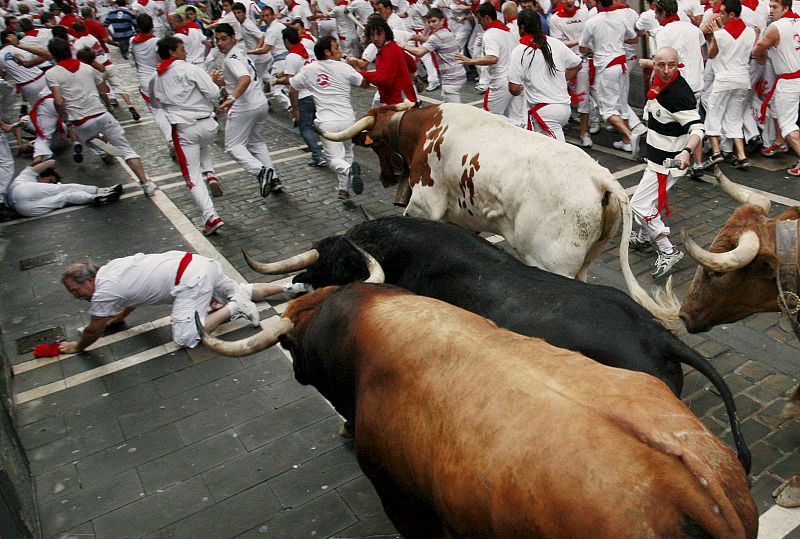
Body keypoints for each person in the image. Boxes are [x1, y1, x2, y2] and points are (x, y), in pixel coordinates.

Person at [58, 253, 312, 353]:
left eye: (75, 290)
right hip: (199, 263)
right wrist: (121, 316)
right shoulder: (111, 269)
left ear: (88, 280)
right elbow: (132, 295)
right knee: (239, 289)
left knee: (185, 337)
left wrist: (78, 347)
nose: (76, 296)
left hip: (191, 280)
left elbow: (93, 329)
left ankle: (235, 307)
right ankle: (293, 288)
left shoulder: (104, 292)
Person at [45, 38, 157, 196]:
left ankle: (100, 148)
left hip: (81, 120)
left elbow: (58, 101)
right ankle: (146, 184)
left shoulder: (52, 73)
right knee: (128, 151)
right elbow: (104, 88)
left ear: (53, 54)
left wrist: (66, 121)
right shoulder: (87, 68)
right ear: (69, 50)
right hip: (102, 114)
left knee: (85, 138)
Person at [629, 46, 703, 279]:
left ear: (678, 64)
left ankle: (667, 250)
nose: (667, 70)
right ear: (655, 64)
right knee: (649, 202)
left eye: (672, 65)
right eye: (661, 65)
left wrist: (687, 152)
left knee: (639, 205)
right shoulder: (659, 80)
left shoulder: (679, 95)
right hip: (656, 157)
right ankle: (643, 239)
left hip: (667, 162)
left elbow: (697, 128)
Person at [149, 36, 225, 235]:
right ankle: (210, 173)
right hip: (208, 125)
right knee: (202, 144)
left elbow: (155, 103)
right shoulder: (191, 69)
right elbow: (214, 93)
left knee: (192, 176)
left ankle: (210, 216)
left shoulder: (156, 77)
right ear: (172, 52)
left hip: (185, 129)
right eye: (182, 49)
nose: (186, 52)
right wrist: (213, 82)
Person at [212, 23, 283, 198]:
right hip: (260, 103)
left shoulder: (231, 59)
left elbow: (244, 79)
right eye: (217, 39)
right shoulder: (241, 52)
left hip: (244, 107)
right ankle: (273, 179)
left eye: (223, 39)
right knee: (256, 142)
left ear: (233, 38)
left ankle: (261, 171)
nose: (220, 43)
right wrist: (222, 83)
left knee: (233, 146)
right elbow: (241, 77)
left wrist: (231, 98)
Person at [290, 35, 365, 199]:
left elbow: (292, 88)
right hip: (348, 120)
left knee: (334, 160)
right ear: (327, 52)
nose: (340, 50)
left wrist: (295, 110)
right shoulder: (344, 67)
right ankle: (343, 189)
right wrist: (355, 65)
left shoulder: (309, 69)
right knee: (347, 152)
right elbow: (363, 83)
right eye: (336, 47)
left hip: (327, 123)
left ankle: (349, 171)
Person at [640, 0, 706, 176]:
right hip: (696, 83)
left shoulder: (664, 32)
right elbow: (701, 52)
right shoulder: (693, 28)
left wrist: (647, 65)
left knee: (662, 122)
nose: (655, 17)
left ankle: (662, 157)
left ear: (663, 13)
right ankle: (698, 164)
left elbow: (662, 63)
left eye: (657, 13)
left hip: (676, 86)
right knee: (694, 122)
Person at [579, 0, 646, 155]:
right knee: (622, 105)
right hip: (622, 64)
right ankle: (626, 142)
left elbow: (582, 47)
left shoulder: (592, 22)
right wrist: (615, 39)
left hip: (607, 67)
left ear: (598, 3)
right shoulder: (620, 17)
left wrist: (596, 47)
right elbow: (634, 38)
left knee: (607, 111)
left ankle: (630, 135)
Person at [508, 8, 582, 141]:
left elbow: (513, 89)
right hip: (564, 108)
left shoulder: (520, 51)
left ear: (522, 28)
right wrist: (562, 78)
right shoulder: (556, 43)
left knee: (557, 151)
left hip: (545, 112)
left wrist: (522, 88)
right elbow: (577, 64)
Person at [703, 0, 756, 169]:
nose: (720, 15)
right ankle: (741, 155)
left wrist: (715, 34)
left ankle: (716, 152)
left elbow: (711, 55)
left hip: (724, 80)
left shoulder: (721, 34)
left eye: (723, 12)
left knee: (713, 114)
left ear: (732, 15)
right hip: (743, 80)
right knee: (735, 118)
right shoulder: (751, 32)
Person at [752, 0, 800, 176]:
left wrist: (757, 46)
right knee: (778, 110)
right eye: (770, 6)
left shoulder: (777, 27)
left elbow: (758, 48)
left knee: (787, 125)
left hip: (789, 81)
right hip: (794, 77)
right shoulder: (798, 21)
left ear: (786, 8)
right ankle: (779, 142)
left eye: (775, 7)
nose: (770, 10)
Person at [279, 26, 327, 167]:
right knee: (321, 125)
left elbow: (290, 81)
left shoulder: (291, 57)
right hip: (318, 93)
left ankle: (318, 156)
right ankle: (329, 152)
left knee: (305, 128)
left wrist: (276, 81)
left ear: (286, 41)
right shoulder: (310, 52)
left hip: (304, 96)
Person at [456, 3, 513, 119]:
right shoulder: (507, 32)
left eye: (479, 19)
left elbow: (492, 58)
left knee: (490, 117)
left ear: (487, 18)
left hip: (500, 82)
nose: (479, 22)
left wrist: (470, 61)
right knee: (510, 118)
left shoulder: (490, 34)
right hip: (513, 81)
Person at [6, 160, 122, 217]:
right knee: (65, 189)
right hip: (21, 192)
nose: (51, 184)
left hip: (23, 210)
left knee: (65, 197)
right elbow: (52, 162)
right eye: (50, 181)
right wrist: (52, 170)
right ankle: (101, 191)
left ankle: (95, 198)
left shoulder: (25, 177)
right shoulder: (27, 174)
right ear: (42, 175)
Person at [131, 13, 175, 159]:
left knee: (157, 112)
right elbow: (161, 59)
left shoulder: (133, 41)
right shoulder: (156, 42)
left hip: (144, 80)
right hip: (158, 77)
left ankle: (170, 139)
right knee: (169, 108)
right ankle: (174, 138)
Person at [349, 17, 417, 105]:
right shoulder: (393, 46)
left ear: (385, 33)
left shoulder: (388, 51)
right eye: (372, 35)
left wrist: (359, 73)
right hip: (404, 99)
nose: (375, 38)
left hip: (398, 102)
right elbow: (412, 64)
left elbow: (383, 78)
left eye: (379, 34)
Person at [403, 7, 466, 103]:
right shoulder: (447, 32)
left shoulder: (436, 37)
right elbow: (434, 41)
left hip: (451, 79)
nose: (431, 25)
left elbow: (419, 52)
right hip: (459, 74)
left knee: (454, 110)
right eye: (428, 22)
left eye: (433, 21)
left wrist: (403, 46)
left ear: (442, 21)